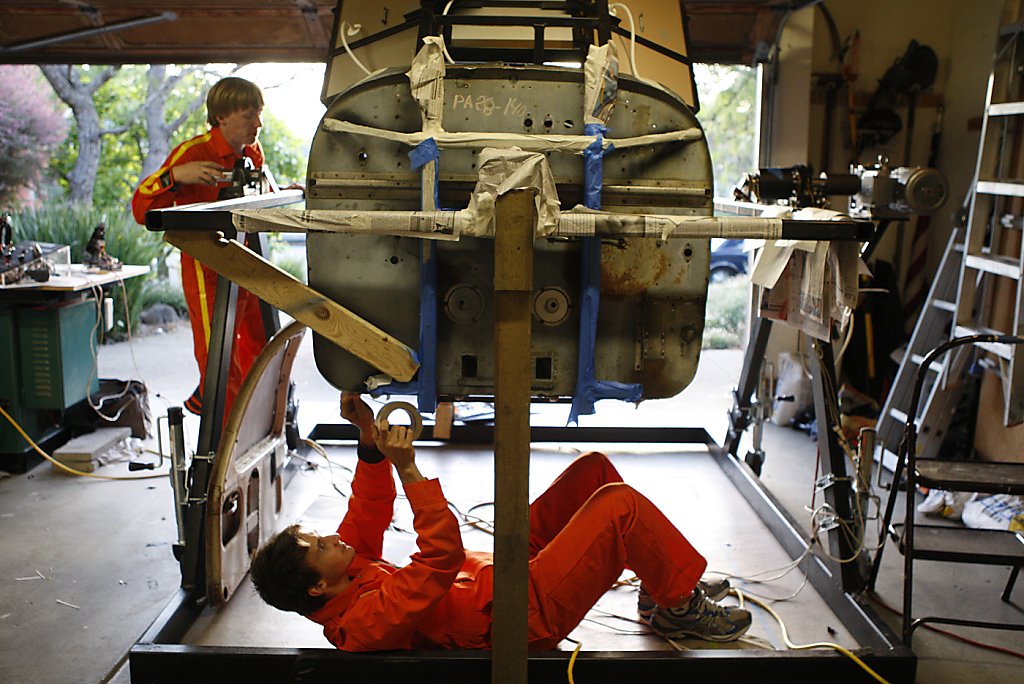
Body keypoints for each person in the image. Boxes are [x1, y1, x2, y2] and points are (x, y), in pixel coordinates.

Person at [249, 392, 752, 651]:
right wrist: (409, 469)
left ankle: (659, 588)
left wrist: (366, 437)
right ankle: (679, 607)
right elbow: (439, 559)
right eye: (320, 545)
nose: (333, 536)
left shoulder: (346, 572)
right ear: (316, 586)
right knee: (618, 505)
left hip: (498, 577)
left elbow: (366, 510)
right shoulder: (363, 624)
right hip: (523, 614)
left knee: (593, 470)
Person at [131, 76, 268, 418]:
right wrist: (176, 176)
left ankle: (248, 418)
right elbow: (140, 207)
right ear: (222, 117)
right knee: (218, 356)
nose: (258, 124)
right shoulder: (193, 153)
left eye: (259, 114)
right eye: (249, 115)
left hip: (247, 260)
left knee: (259, 343)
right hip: (206, 269)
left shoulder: (253, 154)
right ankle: (224, 437)